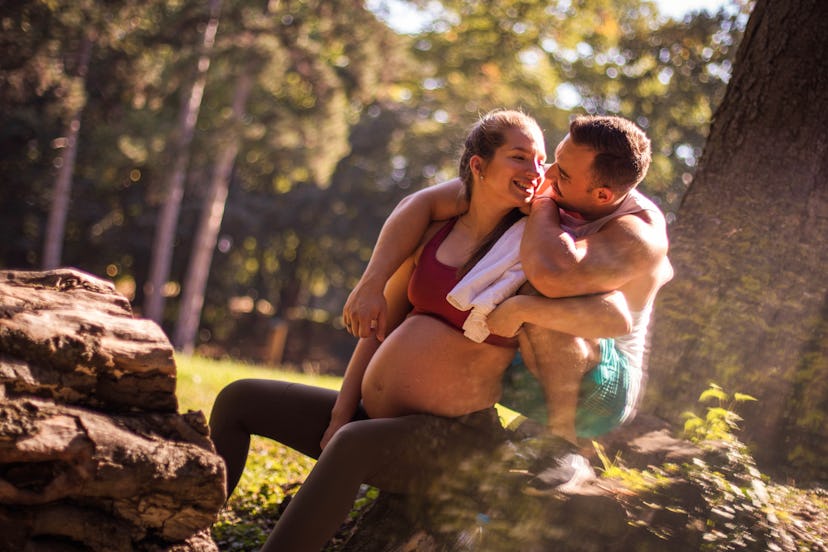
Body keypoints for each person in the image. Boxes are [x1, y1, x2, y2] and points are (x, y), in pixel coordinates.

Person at [209, 110, 631, 551]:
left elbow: (614, 312)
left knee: (353, 443)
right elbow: (378, 331)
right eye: (520, 157)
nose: (536, 171)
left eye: (540, 160)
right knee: (241, 398)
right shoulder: (434, 232)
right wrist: (341, 412)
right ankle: (191, 526)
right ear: (478, 166)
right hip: (378, 423)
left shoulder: (537, 251)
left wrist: (526, 306)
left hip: (456, 440)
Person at [343, 114, 674, 443]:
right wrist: (371, 283)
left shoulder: (638, 233)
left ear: (602, 195)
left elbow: (557, 280)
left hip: (596, 390)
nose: (547, 174)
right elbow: (422, 202)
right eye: (554, 161)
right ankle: (477, 426)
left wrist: (542, 203)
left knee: (535, 299)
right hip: (528, 366)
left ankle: (560, 442)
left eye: (563, 173)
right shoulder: (555, 190)